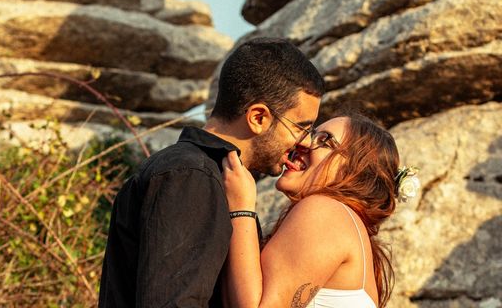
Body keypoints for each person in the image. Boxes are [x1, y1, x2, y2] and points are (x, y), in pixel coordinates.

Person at [98, 38, 325, 307]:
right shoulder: (192, 175)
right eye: (301, 127)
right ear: (259, 118)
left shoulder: (207, 174)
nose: (306, 141)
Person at [221, 112, 401, 308]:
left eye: (324, 141)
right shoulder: (346, 223)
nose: (303, 143)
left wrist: (241, 207)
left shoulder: (327, 212)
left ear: (355, 171)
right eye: (309, 134)